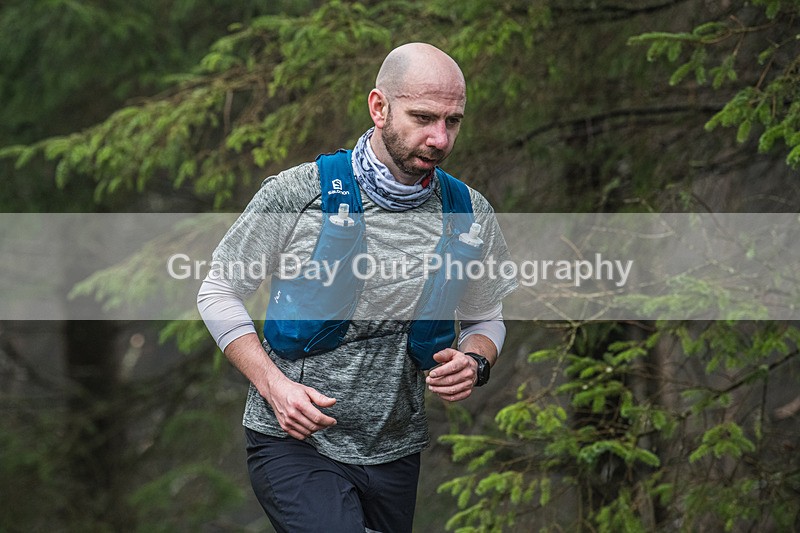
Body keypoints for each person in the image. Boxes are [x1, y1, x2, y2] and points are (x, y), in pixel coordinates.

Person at [197, 42, 517, 533]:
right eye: (424, 117)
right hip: (294, 441)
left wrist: (476, 361)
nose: (440, 138)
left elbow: (485, 316)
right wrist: (273, 386)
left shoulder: (469, 213)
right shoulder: (299, 194)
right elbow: (218, 290)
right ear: (379, 107)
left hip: (394, 450)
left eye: (452, 122)